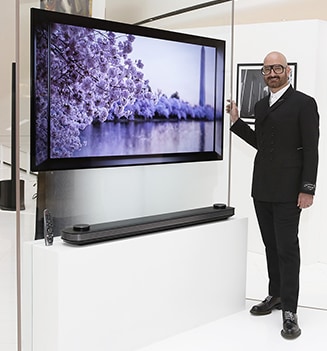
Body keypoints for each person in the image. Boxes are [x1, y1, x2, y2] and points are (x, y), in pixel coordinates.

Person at [226, 51, 319, 339]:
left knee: (287, 249)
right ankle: (275, 294)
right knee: (270, 245)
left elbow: (312, 148)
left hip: (290, 191)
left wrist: (308, 188)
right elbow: (261, 143)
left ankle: (290, 310)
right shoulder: (261, 105)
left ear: (288, 71)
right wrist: (236, 121)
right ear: (263, 74)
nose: (273, 73)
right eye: (267, 69)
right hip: (262, 188)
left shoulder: (304, 103)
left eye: (278, 68)